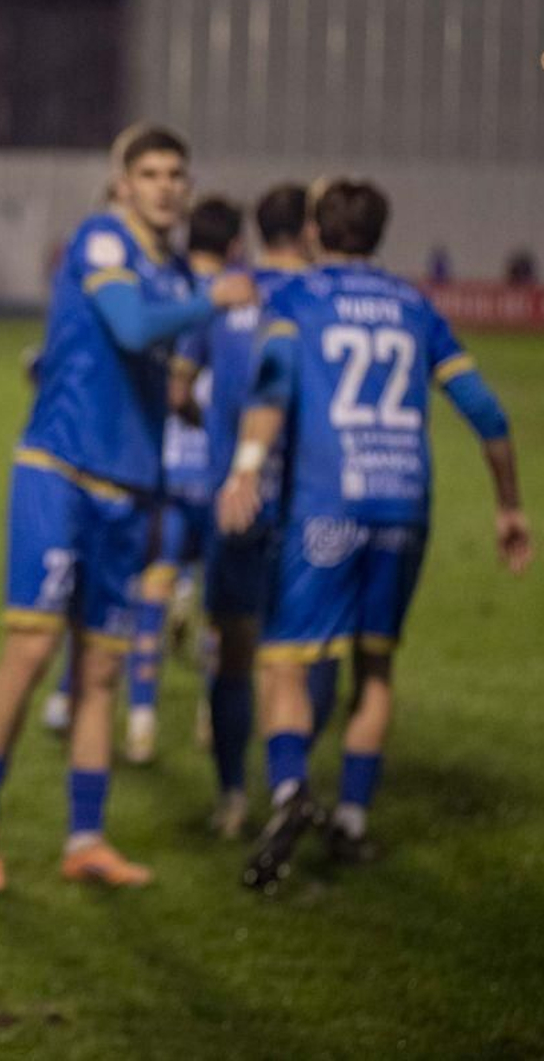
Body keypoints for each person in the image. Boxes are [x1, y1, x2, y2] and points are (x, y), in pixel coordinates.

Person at [0, 124, 254, 891]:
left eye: (175, 173)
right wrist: (211, 298)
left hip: (130, 492)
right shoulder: (103, 244)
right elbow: (130, 327)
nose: (164, 185)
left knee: (100, 674)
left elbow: (162, 365)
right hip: (60, 476)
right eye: (148, 172)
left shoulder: (174, 268)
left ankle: (85, 838)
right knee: (29, 652)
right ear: (122, 184)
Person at [218, 179, 531, 890]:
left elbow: (271, 383)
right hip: (403, 510)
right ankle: (353, 820)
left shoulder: (296, 298)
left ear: (315, 232)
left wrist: (245, 466)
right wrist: (509, 506)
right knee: (376, 666)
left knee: (287, 660)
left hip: (327, 509)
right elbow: (487, 412)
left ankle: (293, 791)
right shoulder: (415, 305)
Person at [189, 183, 313, 838]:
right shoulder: (317, 299)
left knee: (234, 648)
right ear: (309, 231)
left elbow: (182, 386)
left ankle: (233, 797)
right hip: (306, 501)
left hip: (231, 494)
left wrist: (212, 433)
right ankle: (293, 786)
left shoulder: (227, 295)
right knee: (300, 652)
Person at [123, 195, 244, 766]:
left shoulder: (164, 291)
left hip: (162, 474)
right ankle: (207, 714)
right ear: (236, 245)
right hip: (220, 476)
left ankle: (141, 721)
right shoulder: (244, 301)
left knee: (149, 590)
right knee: (223, 606)